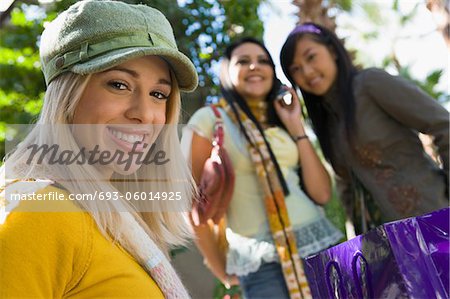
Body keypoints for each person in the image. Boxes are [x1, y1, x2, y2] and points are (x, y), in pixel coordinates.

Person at [0, 1, 198, 297]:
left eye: (158, 94)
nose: (145, 113)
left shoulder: (114, 218)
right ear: (69, 94)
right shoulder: (40, 212)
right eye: (119, 85)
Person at [182, 37, 343, 299]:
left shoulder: (280, 119)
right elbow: (191, 206)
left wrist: (296, 127)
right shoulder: (211, 120)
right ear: (227, 72)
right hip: (258, 262)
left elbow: (323, 194)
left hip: (317, 243)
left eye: (263, 61)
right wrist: (220, 268)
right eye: (243, 61)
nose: (255, 67)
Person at [280, 23, 449, 235]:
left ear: (332, 50)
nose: (307, 71)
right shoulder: (327, 123)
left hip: (437, 220)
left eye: (311, 57)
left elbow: (443, 124)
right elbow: (348, 190)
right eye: (295, 69)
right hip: (393, 247)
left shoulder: (370, 84)